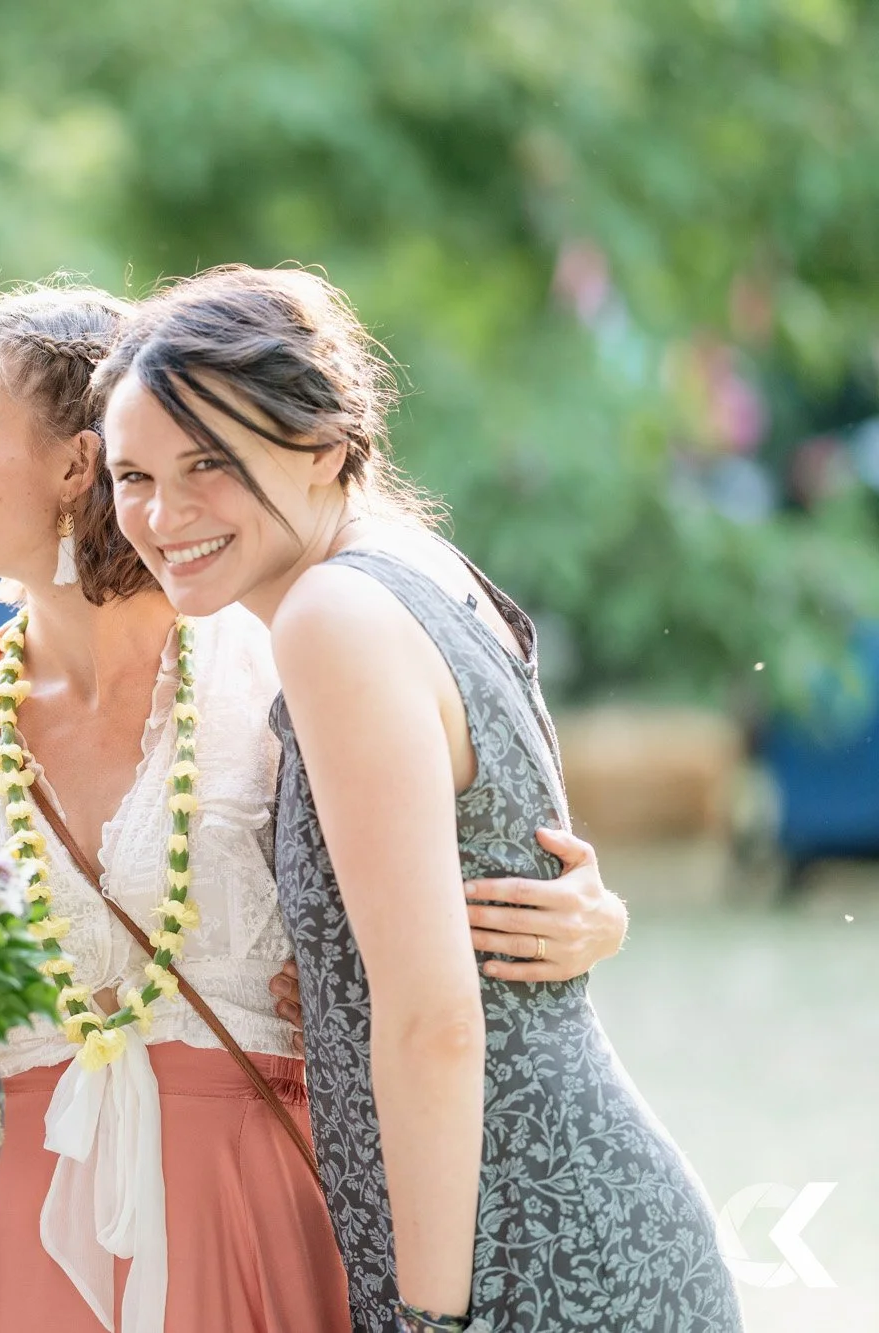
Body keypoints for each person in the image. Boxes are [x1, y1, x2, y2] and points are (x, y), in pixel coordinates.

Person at [0, 283, 631, 1333]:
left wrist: (588, 916)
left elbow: (449, 917)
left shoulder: (281, 664)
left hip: (267, 1217)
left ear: (75, 462)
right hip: (15, 1246)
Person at [94, 264, 742, 1332]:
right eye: (131, 475)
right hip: (567, 1214)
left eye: (207, 462)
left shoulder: (330, 616)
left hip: (514, 1253)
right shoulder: (415, 566)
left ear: (322, 445)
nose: (161, 513)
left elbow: (432, 1017)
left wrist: (428, 1319)